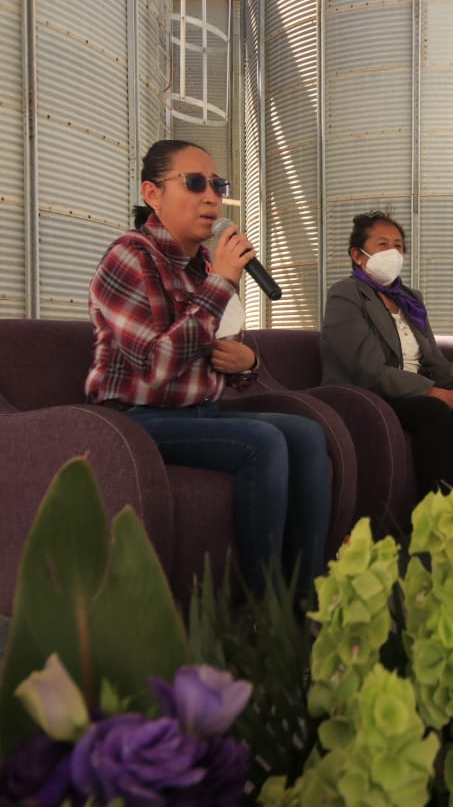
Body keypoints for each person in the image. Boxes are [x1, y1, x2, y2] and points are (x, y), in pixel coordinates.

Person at [86, 139, 330, 593]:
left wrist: (247, 362)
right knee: (263, 441)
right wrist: (221, 282)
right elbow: (156, 367)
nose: (212, 197)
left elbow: (227, 359)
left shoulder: (204, 266)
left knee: (308, 434)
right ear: (153, 193)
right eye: (195, 183)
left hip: (201, 412)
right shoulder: (130, 257)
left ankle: (307, 596)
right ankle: (265, 607)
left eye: (218, 185)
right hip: (136, 418)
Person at [320, 211, 453, 497]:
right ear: (357, 255)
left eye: (398, 245)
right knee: (434, 410)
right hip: (368, 395)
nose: (393, 252)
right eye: (382, 244)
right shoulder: (346, 294)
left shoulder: (409, 299)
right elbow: (369, 371)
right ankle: (442, 516)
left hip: (417, 393)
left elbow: (435, 362)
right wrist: (446, 397)